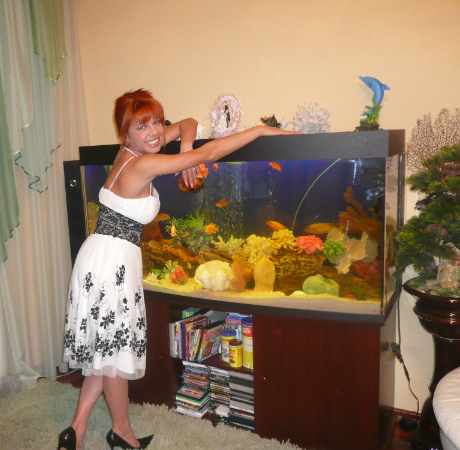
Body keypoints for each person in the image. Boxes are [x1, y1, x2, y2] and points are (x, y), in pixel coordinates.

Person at [58, 89, 298, 450]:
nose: (155, 131)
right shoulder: (143, 164)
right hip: (111, 263)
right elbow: (210, 153)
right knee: (114, 357)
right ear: (126, 133)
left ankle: (76, 430)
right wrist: (261, 131)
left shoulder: (129, 152)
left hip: (100, 255)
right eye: (143, 126)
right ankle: (122, 433)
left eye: (157, 121)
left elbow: (187, 123)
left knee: (103, 351)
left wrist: (185, 149)